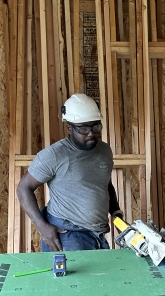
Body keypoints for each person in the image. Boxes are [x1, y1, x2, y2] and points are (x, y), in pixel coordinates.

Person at [17, 93, 123, 251]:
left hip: (98, 235)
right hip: (67, 235)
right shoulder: (54, 155)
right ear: (69, 128)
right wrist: (42, 226)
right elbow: (23, 188)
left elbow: (105, 185)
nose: (91, 133)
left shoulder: (104, 150)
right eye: (84, 128)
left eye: (96, 126)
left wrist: (117, 214)